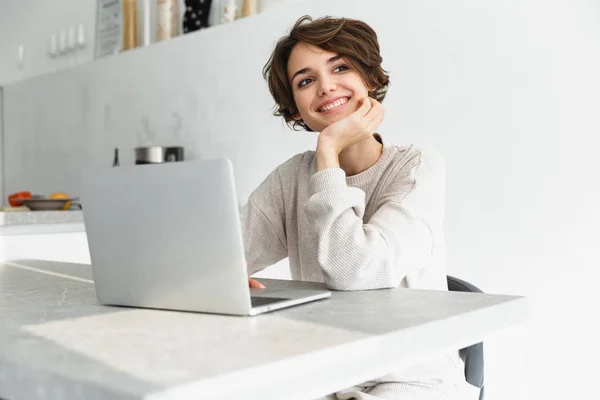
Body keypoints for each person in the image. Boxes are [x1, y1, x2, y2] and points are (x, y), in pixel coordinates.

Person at [240, 15, 479, 400]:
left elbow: (356, 269)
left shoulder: (418, 167)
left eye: (340, 67)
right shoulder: (290, 179)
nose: (326, 86)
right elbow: (227, 252)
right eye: (305, 80)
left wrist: (329, 151)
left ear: (369, 78)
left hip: (410, 378)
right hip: (325, 375)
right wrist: (223, 274)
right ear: (295, 109)